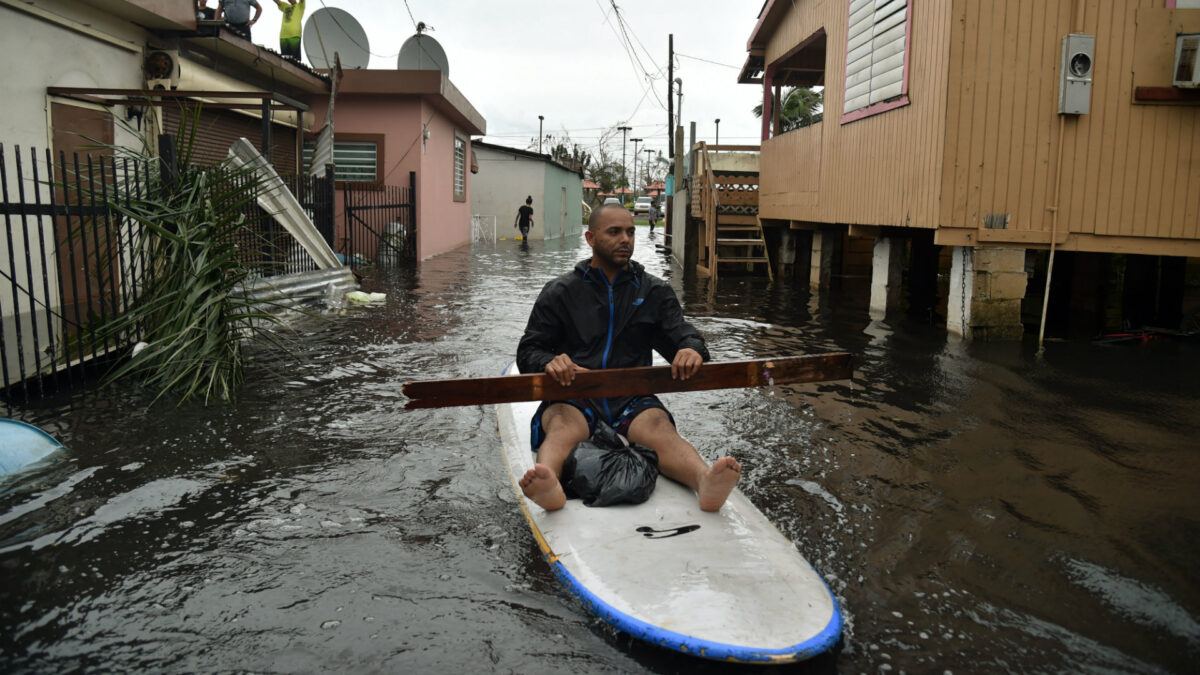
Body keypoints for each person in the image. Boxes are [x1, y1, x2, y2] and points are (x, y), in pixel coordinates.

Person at [516, 204, 742, 512]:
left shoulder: (654, 292)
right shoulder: (560, 292)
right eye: (615, 232)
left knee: (660, 428)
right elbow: (529, 350)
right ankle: (549, 483)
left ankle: (705, 482)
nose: (626, 239)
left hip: (630, 398)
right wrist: (548, 362)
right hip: (574, 395)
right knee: (562, 426)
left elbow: (683, 334)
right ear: (591, 238)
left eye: (631, 231)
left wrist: (691, 349)